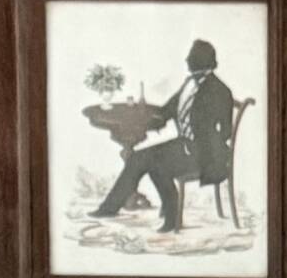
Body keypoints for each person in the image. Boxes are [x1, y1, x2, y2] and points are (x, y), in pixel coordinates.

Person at [86, 36, 225, 236]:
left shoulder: (219, 90)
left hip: (206, 154)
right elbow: (168, 110)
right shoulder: (189, 83)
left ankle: (171, 218)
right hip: (184, 144)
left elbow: (225, 131)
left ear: (202, 60)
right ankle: (108, 208)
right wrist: (142, 119)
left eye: (191, 57)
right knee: (137, 157)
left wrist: (197, 145)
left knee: (158, 166)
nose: (186, 60)